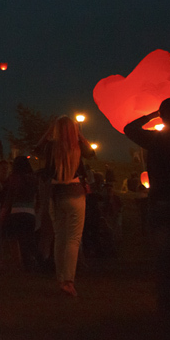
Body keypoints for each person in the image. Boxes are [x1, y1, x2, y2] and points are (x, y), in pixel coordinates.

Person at [124, 98, 170, 327]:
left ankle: (165, 304)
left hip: (161, 202)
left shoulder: (155, 141)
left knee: (163, 258)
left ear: (162, 116)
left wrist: (150, 115)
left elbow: (130, 129)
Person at [36, 116, 95, 297]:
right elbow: (91, 153)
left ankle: (61, 278)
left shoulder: (51, 147)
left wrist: (48, 131)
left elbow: (37, 149)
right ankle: (69, 281)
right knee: (73, 238)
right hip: (75, 192)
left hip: (56, 194)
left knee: (60, 237)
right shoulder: (77, 147)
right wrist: (80, 134)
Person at [0, 155, 39, 272]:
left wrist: (2, 215)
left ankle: (18, 264)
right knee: (27, 239)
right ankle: (31, 263)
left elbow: (9, 199)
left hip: (16, 212)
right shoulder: (33, 179)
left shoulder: (14, 179)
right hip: (30, 212)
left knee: (14, 239)